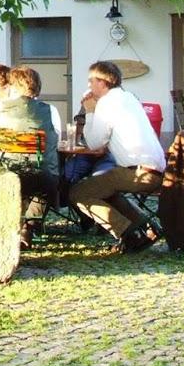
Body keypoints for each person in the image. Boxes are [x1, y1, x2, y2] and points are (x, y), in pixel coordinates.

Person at [70, 60, 165, 251]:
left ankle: (128, 233)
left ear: (103, 82)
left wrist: (90, 111)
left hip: (137, 173)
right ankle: (146, 226)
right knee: (103, 188)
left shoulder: (107, 103)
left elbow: (95, 143)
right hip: (154, 170)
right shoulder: (128, 97)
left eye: (91, 81)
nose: (88, 85)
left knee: (78, 193)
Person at [0, 66, 60, 245]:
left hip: (8, 173)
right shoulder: (50, 110)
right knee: (51, 182)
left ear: (12, 86)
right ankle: (29, 226)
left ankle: (13, 224)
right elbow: (55, 141)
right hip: (40, 175)